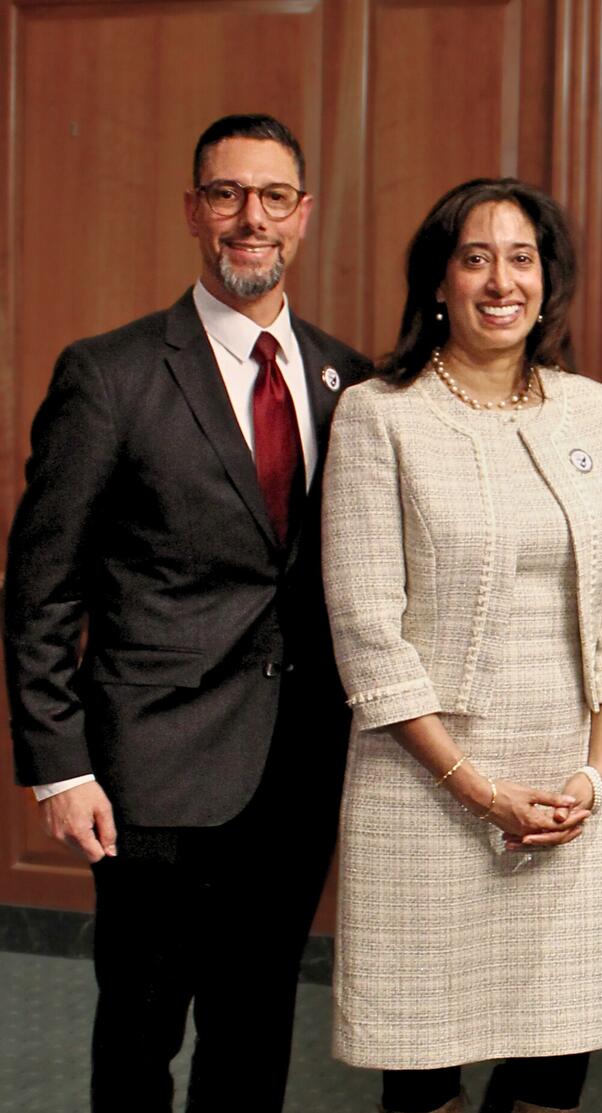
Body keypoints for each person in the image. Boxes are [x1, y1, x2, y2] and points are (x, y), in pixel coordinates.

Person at [2, 113, 369, 1111]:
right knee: (139, 1034)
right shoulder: (111, 375)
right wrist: (58, 766)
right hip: (151, 777)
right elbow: (43, 587)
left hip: (295, 773)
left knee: (254, 1034)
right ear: (192, 211)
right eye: (225, 195)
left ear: (304, 215)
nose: (250, 218)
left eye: (272, 197)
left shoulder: (353, 383)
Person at [321, 178, 602, 1113]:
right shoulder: (382, 414)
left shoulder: (596, 411)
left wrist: (595, 779)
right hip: (423, 789)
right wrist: (479, 790)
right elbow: (367, 632)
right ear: (439, 282)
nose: (500, 280)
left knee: (555, 1064)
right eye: (475, 257)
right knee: (422, 1070)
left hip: (564, 794)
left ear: (548, 281)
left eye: (521, 257)